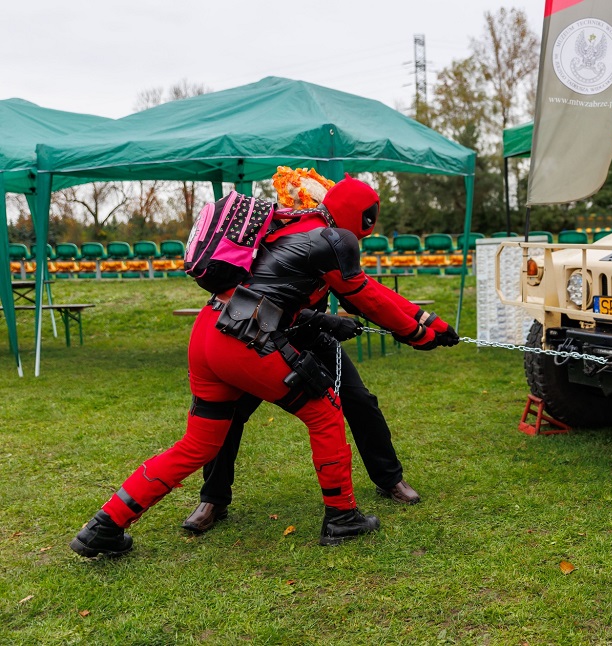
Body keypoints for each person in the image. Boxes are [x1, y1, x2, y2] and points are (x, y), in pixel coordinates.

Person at [71, 174, 459, 557]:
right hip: (250, 338)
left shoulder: (287, 225)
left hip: (209, 332)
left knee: (196, 444)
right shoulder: (334, 239)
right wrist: (421, 334)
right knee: (325, 413)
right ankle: (342, 517)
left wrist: (425, 323)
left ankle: (103, 527)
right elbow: (367, 297)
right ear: (365, 217)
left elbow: (347, 292)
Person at [181, 311, 422, 535]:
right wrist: (325, 319)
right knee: (229, 414)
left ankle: (390, 479)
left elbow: (360, 290)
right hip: (261, 342)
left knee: (360, 401)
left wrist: (413, 324)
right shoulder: (259, 264)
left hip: (314, 338)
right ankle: (213, 498)